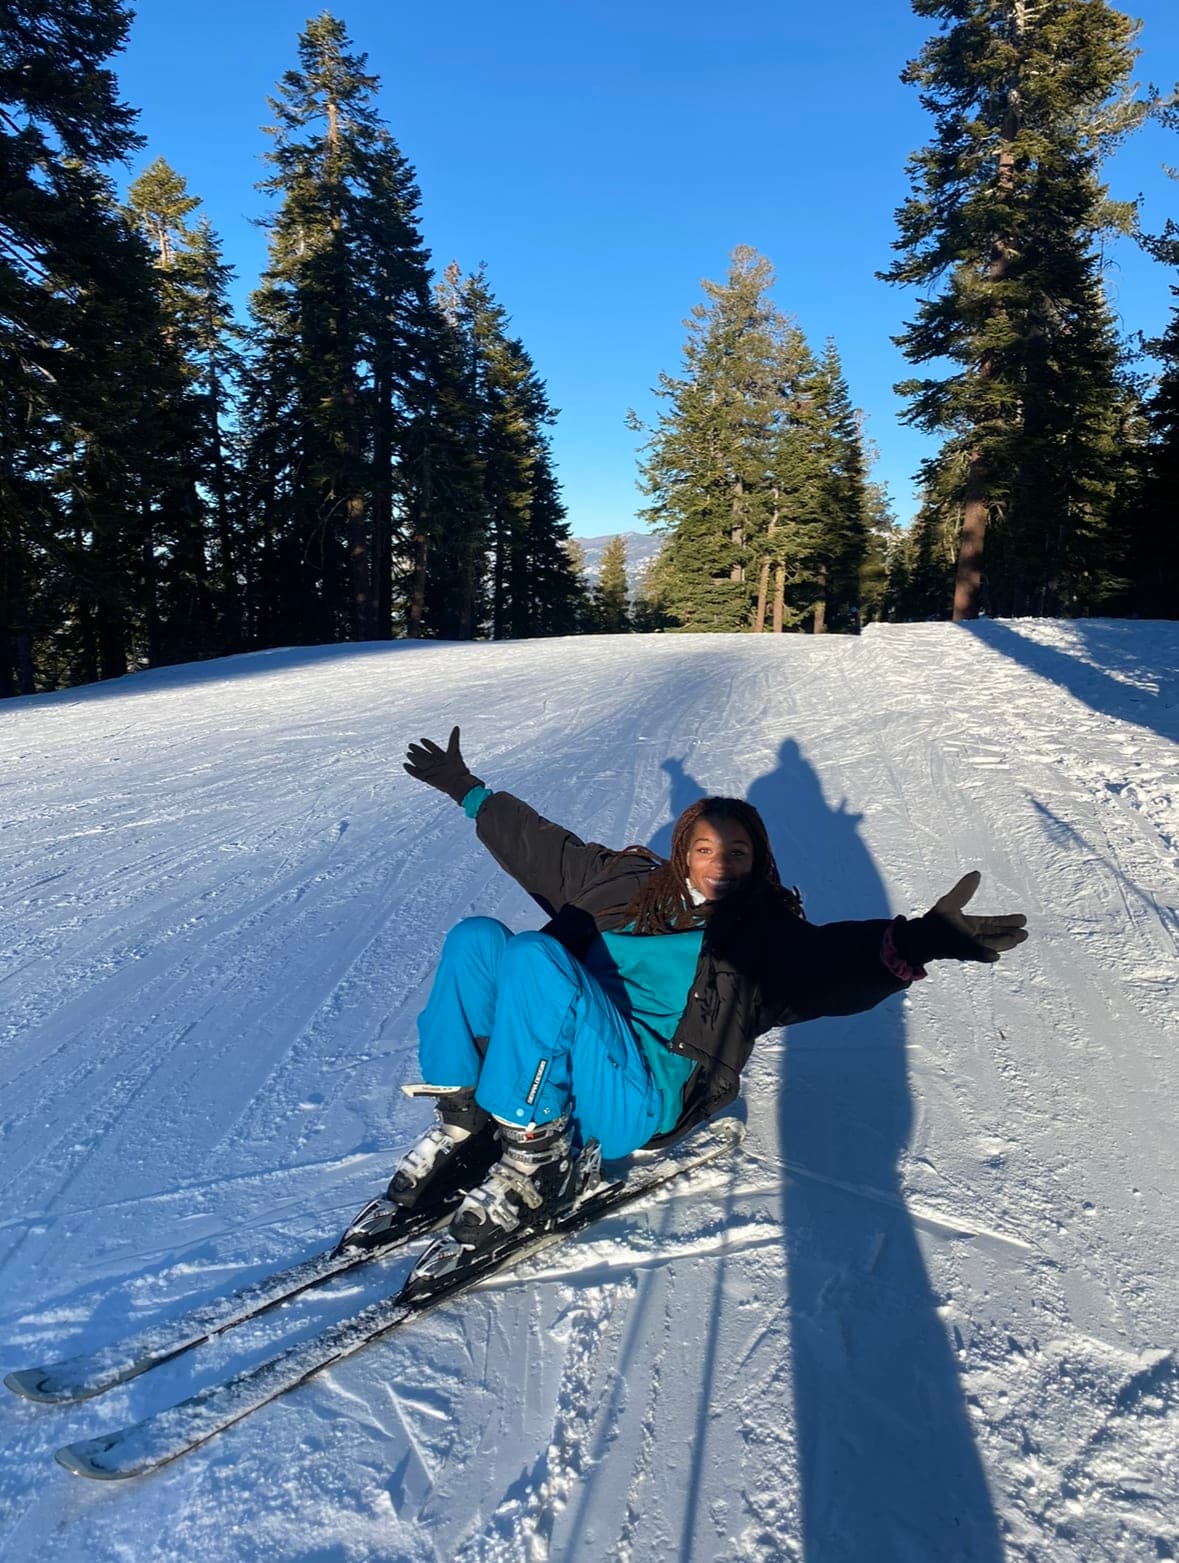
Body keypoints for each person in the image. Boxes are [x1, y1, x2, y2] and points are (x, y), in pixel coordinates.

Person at [388, 728, 1028, 1259]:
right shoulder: (622, 882)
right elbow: (541, 847)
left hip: (638, 1097)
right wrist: (467, 790)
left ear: (757, 862)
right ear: (682, 854)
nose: (720, 865)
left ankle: (536, 1167)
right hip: (557, 1071)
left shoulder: (759, 938)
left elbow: (829, 964)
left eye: (738, 853)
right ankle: (468, 1119)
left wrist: (915, 943)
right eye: (705, 849)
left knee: (536, 954)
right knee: (477, 937)